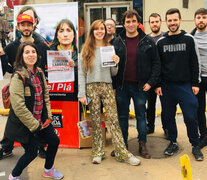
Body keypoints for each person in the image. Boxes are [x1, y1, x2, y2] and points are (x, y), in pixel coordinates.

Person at [78, 19, 140, 166]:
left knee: (113, 120)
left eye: (102, 29)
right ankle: (97, 152)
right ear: (92, 31)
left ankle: (122, 152)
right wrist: (81, 94)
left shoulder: (109, 48)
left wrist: (116, 63)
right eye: (96, 29)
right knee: (96, 120)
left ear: (105, 31)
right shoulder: (86, 50)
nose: (100, 31)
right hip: (91, 87)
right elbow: (81, 73)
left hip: (107, 86)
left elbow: (112, 72)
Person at [4, 41, 63, 180]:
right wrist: (35, 126)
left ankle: (48, 170)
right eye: (27, 52)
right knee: (32, 152)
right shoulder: (18, 77)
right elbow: (19, 107)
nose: (31, 55)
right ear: (21, 56)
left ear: (37, 55)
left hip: (40, 120)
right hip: (24, 123)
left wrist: (48, 116)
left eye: (33, 52)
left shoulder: (39, 72)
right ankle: (14, 176)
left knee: (54, 141)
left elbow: (45, 96)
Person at [111, 9, 160, 159]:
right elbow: (110, 66)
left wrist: (150, 83)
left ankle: (142, 144)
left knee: (140, 116)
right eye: (128, 21)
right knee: (122, 117)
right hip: (122, 87)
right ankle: (123, 145)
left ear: (138, 23)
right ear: (124, 23)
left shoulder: (147, 40)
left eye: (133, 21)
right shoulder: (117, 41)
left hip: (140, 87)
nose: (131, 24)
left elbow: (156, 64)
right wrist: (113, 86)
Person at [155, 8, 203, 161]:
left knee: (190, 117)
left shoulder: (189, 39)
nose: (172, 23)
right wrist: (158, 85)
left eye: (175, 20)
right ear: (166, 22)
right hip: (167, 87)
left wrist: (196, 83)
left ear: (180, 20)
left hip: (185, 86)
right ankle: (173, 142)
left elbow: (195, 62)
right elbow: (158, 66)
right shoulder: (161, 42)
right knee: (168, 117)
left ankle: (195, 145)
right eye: (169, 20)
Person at [0, 14, 49, 160]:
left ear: (33, 26)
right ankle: (7, 147)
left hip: (37, 88)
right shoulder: (11, 47)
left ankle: (41, 147)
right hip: (20, 88)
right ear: (18, 27)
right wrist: (2, 56)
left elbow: (50, 64)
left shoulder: (42, 46)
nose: (26, 27)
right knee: (14, 118)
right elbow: (6, 69)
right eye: (23, 25)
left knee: (40, 115)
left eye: (29, 24)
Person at [146, 13, 167, 136]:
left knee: (166, 106)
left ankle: (166, 128)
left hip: (164, 79)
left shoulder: (166, 37)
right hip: (150, 79)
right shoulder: (146, 39)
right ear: (149, 24)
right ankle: (150, 126)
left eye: (156, 21)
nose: (154, 24)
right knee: (150, 105)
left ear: (161, 22)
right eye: (152, 22)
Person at [191, 8, 207, 149]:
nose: (201, 20)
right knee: (200, 109)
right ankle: (204, 136)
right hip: (200, 78)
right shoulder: (191, 37)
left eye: (204, 17)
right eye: (198, 17)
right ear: (195, 20)